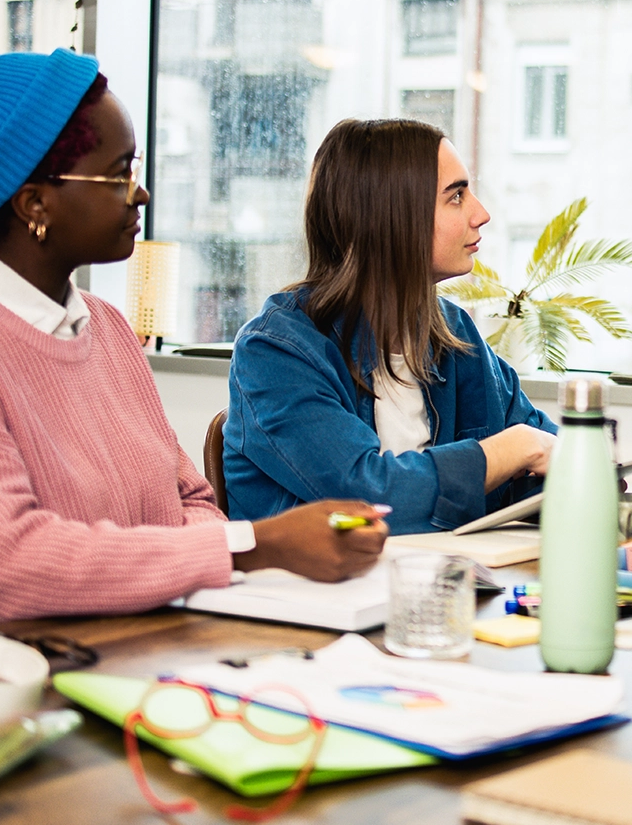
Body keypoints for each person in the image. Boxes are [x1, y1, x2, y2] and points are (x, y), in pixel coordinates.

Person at [0, 50, 386, 627]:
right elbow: (2, 571)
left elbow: (189, 502)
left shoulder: (106, 327)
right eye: (119, 175)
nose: (139, 195)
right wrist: (253, 546)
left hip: (142, 656)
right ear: (34, 203)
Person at [222, 118, 556, 534]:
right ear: (391, 217)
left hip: (435, 583)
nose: (481, 214)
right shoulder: (275, 352)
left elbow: (542, 460)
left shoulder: (455, 335)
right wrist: (514, 449)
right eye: (455, 196)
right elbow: (365, 498)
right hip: (319, 596)